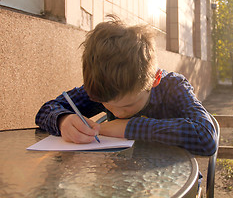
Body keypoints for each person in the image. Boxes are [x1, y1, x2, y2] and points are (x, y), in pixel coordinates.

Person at [35, 15, 217, 157]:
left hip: (174, 179)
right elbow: (46, 110)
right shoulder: (105, 87)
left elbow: (206, 137)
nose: (118, 112)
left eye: (128, 106)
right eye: (106, 104)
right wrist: (63, 120)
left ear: (155, 80)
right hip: (121, 178)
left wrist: (130, 126)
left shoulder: (174, 87)